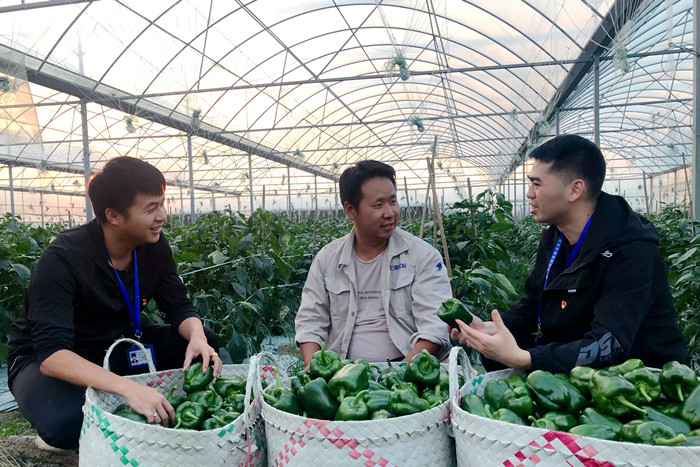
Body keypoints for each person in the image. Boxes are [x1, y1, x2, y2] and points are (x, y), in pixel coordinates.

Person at [6, 156, 222, 451]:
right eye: (151, 208)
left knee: (203, 344)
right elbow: (52, 354)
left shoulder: (153, 246)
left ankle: (127, 392)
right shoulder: (63, 258)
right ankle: (104, 394)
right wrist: (128, 388)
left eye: (162, 203)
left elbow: (178, 305)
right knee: (68, 425)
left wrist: (197, 337)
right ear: (113, 215)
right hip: (51, 357)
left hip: (120, 341)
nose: (162, 215)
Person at [452, 134, 689, 373]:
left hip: (643, 377)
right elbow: (535, 304)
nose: (529, 193)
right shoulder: (555, 236)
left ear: (575, 189)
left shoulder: (630, 249)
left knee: (514, 357)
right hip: (582, 367)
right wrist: (491, 327)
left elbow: (609, 345)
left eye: (537, 183)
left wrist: (525, 358)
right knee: (496, 355)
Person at [295, 160, 452, 366]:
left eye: (393, 201)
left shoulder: (422, 256)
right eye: (378, 205)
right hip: (341, 370)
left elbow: (435, 327)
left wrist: (400, 375)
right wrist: (313, 369)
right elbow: (310, 322)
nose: (390, 213)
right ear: (351, 210)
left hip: (407, 368)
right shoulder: (327, 259)